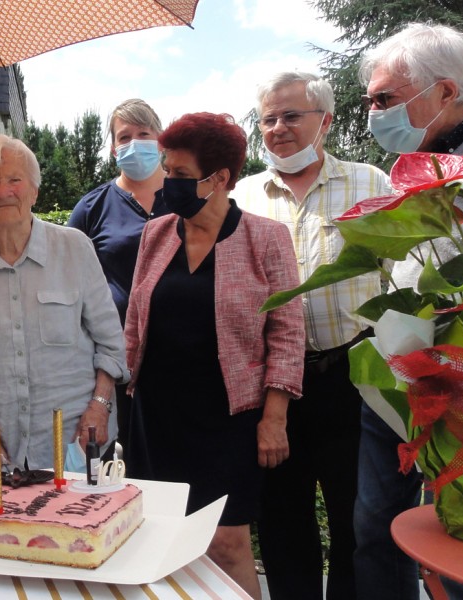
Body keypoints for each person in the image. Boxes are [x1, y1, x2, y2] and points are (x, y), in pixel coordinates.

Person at [124, 112, 304, 599]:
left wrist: (275, 416)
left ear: (220, 178)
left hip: (228, 417)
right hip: (157, 413)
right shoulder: (156, 233)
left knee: (227, 542)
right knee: (159, 534)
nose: (168, 184)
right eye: (168, 171)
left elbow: (287, 331)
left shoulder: (265, 238)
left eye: (181, 175)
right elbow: (136, 321)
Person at [235, 72, 392, 600]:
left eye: (291, 116)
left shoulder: (371, 185)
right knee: (281, 518)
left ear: (324, 121)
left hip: (352, 377)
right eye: (268, 119)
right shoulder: (243, 197)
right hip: (271, 386)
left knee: (357, 517)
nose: (278, 129)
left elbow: (407, 271)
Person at [358, 23, 463, 600]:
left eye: (385, 99)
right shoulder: (422, 165)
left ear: (445, 93)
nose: (374, 114)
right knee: (387, 534)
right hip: (410, 384)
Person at [0, 134, 129, 479]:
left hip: (76, 445)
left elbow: (112, 345)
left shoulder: (74, 249)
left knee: (78, 531)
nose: (3, 191)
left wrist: (100, 408)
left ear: (34, 191)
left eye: (14, 180)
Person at [68, 99, 168, 456]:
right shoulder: (92, 207)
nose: (134, 143)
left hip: (178, 353)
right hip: (113, 358)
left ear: (161, 140)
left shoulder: (188, 197)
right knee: (110, 458)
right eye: (124, 136)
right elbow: (69, 279)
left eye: (144, 134)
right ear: (113, 148)